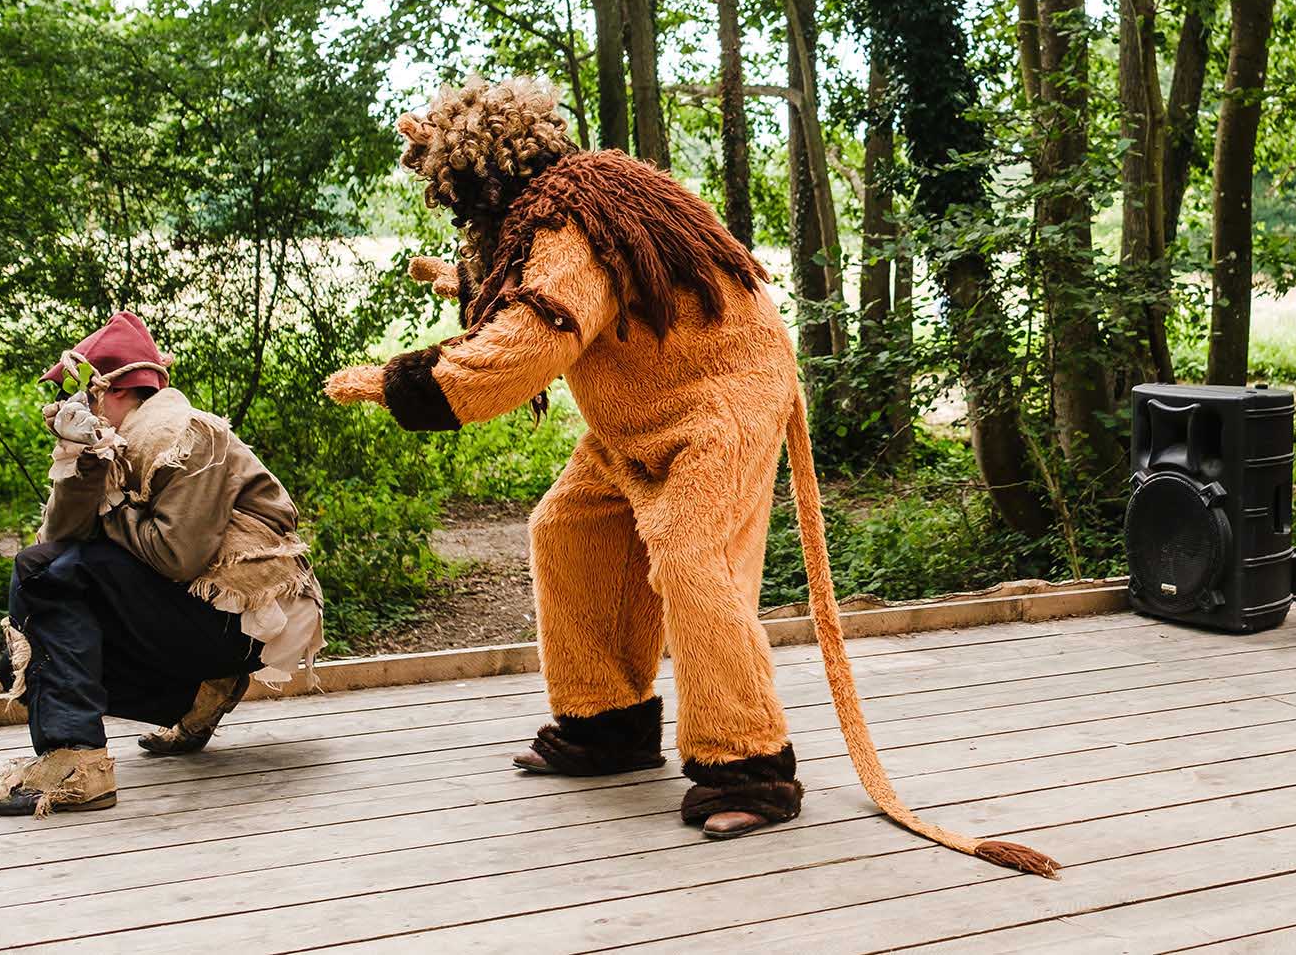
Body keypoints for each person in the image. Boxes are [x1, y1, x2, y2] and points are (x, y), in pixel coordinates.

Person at [322, 78, 1054, 876]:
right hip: (639, 414)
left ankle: (749, 762)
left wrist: (400, 383)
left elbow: (534, 337)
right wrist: (463, 282)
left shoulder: (566, 221)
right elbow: (553, 289)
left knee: (688, 553)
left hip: (718, 404)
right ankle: (607, 722)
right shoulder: (566, 206)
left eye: (456, 203)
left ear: (480, 183)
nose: (458, 218)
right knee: (566, 527)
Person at [0, 311, 324, 817]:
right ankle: (198, 696)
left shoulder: (189, 433)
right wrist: (83, 467)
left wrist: (108, 508)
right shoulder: (111, 445)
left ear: (113, 389)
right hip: (197, 621)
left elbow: (176, 556)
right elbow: (62, 539)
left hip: (246, 616)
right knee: (23, 666)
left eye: (77, 391)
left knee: (41, 571)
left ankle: (75, 763)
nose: (67, 403)